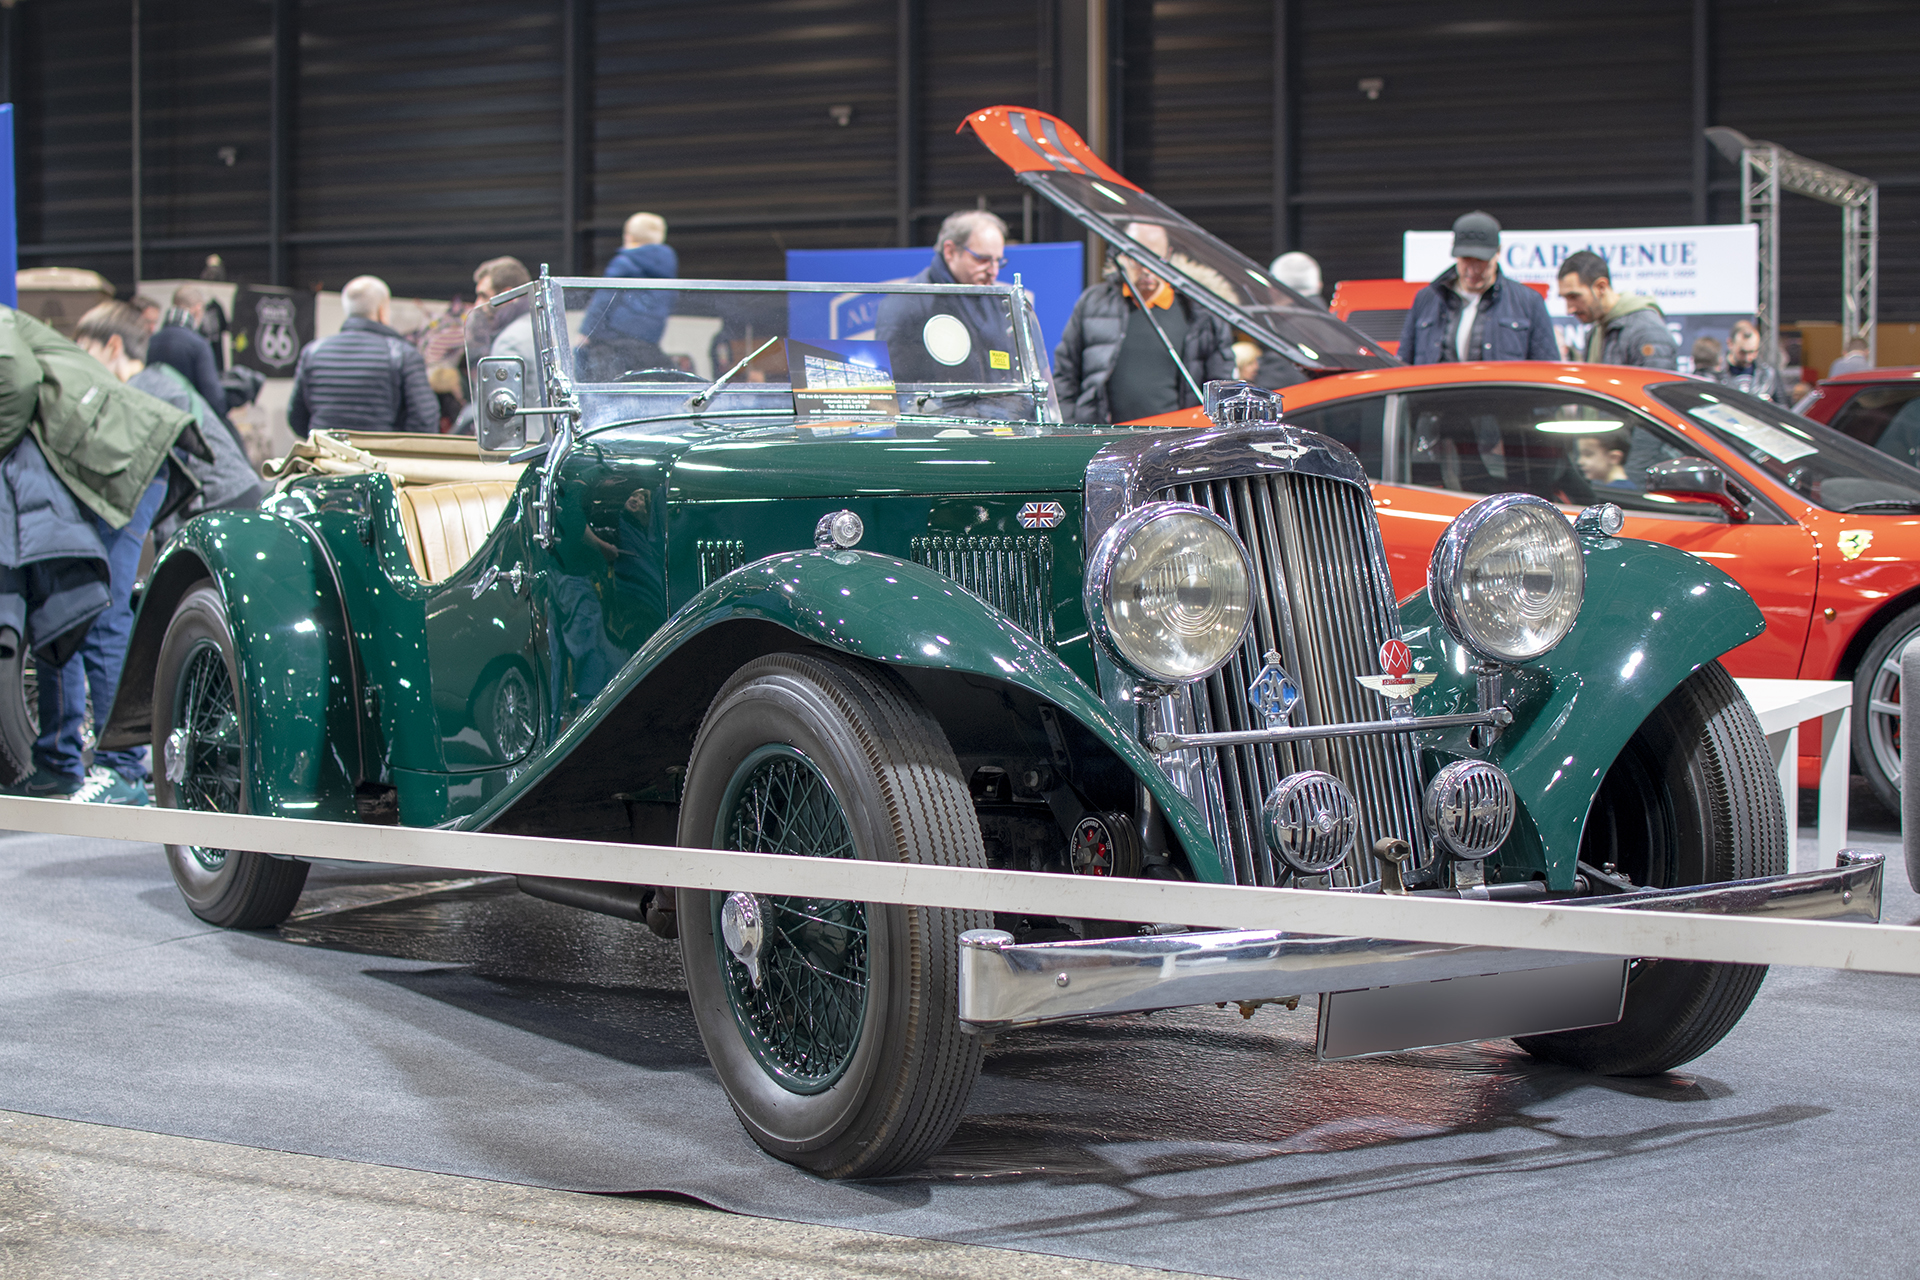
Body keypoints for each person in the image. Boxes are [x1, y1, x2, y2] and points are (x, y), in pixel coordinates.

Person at [16, 301, 203, 803]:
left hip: (129, 465)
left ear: (110, 344)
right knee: (65, 603)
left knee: (100, 606)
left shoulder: (8, 332)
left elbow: (14, 384)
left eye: (87, 345)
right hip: (96, 472)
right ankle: (59, 760)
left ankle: (122, 766)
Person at [1053, 222, 1234, 424]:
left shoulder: (1198, 310)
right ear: (1121, 256)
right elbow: (1065, 374)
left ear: (1169, 255)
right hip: (1103, 438)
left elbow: (1221, 378)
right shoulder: (1093, 303)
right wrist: (1071, 426)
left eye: (1155, 259)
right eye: (1137, 259)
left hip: (1175, 441)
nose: (1147, 270)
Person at [874, 210, 1024, 385]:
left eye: (998, 261)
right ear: (950, 251)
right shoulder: (907, 303)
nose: (994, 271)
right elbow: (895, 384)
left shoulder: (999, 301)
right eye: (983, 259)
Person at [287, 275, 438, 436]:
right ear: (382, 310)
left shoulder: (313, 352)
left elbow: (297, 418)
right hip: (382, 457)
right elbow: (425, 418)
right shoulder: (403, 354)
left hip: (327, 456)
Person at [1400, 212, 1558, 364]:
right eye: (1466, 260)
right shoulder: (1426, 299)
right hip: (1438, 391)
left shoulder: (1528, 302)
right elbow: (1403, 364)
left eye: (1481, 261)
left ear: (1498, 252)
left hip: (1499, 392)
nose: (1473, 270)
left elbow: (1547, 368)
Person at [577, 212, 678, 381]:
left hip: (613, 339)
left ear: (629, 237)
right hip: (648, 341)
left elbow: (604, 298)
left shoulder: (625, 262)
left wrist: (586, 332)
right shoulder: (668, 266)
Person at [1556, 250, 1677, 369]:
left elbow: (1653, 387)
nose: (1569, 309)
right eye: (1565, 298)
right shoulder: (1596, 331)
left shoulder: (1648, 331)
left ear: (1601, 287)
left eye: (1574, 297)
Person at [1716, 319, 1788, 405]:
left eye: (1753, 352)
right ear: (1730, 344)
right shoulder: (1715, 373)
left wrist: (1771, 407)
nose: (1748, 358)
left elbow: (1783, 408)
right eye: (1742, 352)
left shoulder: (1769, 374)